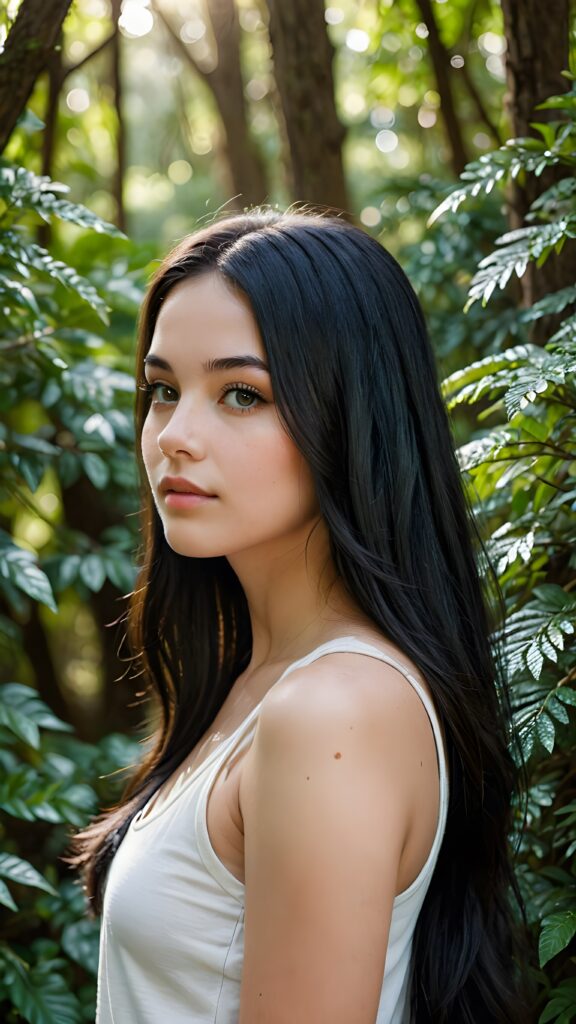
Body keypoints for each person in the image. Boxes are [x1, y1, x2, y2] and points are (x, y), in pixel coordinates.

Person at [73, 210, 527, 1023]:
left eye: (241, 394)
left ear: (351, 415)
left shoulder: (331, 714)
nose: (175, 436)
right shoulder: (264, 681)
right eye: (163, 390)